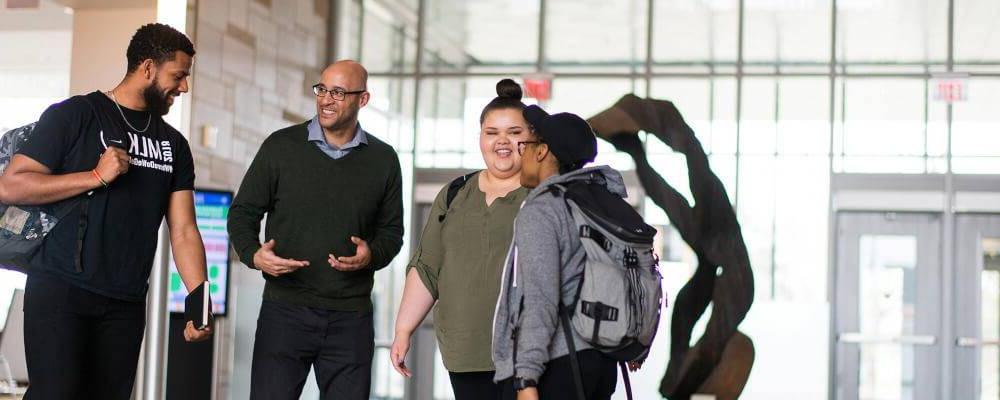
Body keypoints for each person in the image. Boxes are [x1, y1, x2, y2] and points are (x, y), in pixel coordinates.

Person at [0, 23, 211, 399]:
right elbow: (12, 184)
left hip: (125, 301)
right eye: (178, 76)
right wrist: (95, 176)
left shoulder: (173, 146)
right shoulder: (76, 115)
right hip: (60, 289)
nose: (184, 87)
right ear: (147, 67)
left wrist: (200, 298)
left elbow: (184, 230)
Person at [227, 60, 404, 400]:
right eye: (322, 89)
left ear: (362, 100)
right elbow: (243, 213)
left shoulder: (384, 159)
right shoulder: (281, 147)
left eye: (338, 92)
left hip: (350, 318)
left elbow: (392, 232)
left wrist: (371, 255)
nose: (325, 99)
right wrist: (253, 255)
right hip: (285, 311)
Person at [390, 79, 534, 399]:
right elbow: (428, 265)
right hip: (465, 352)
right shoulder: (455, 193)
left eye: (515, 132)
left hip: (527, 355)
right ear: (480, 137)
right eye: (492, 132)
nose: (503, 142)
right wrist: (403, 330)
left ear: (532, 138)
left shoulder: (543, 195)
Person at [492, 105, 627, 400]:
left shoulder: (544, 210)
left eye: (526, 145)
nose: (521, 153)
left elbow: (540, 300)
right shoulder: (600, 205)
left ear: (541, 152)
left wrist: (526, 378)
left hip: (557, 367)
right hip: (601, 362)